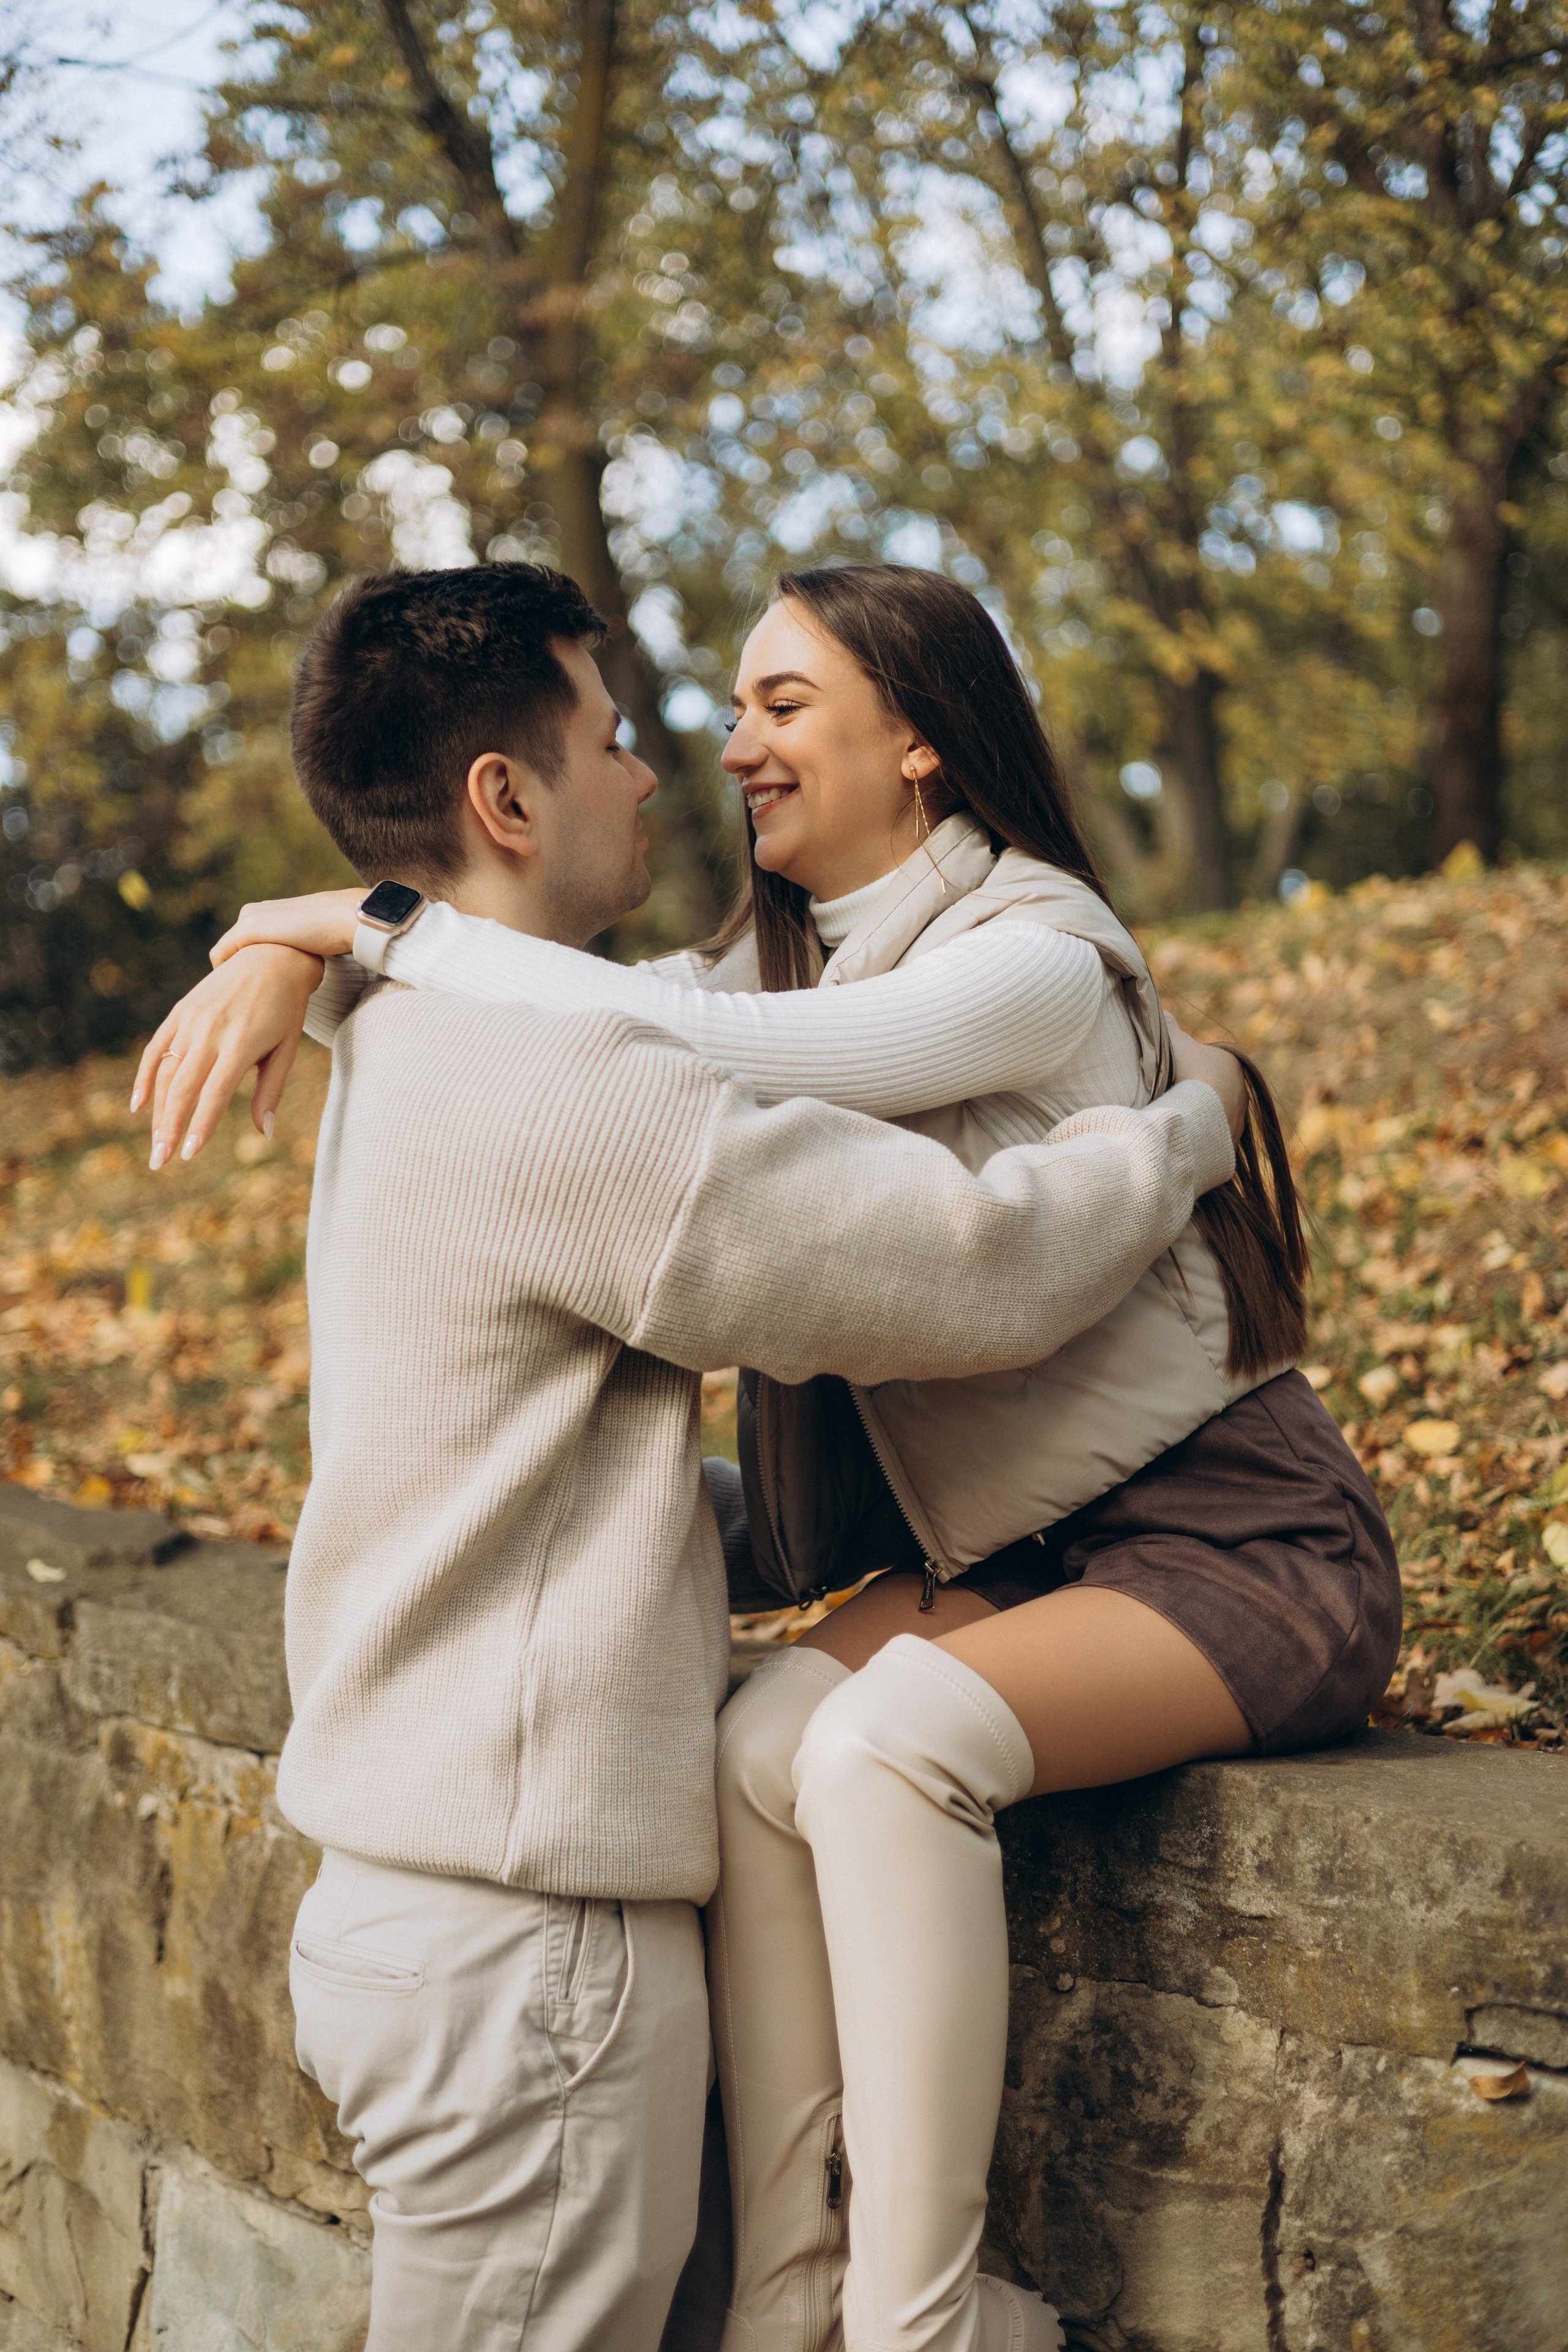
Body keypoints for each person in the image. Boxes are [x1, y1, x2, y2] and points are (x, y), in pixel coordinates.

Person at [134, 562, 1246, 2352]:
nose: (673, 770)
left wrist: (316, 940)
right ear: (507, 799)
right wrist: (1197, 1119)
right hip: (523, 1949)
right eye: (614, 735)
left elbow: (536, 1484)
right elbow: (980, 1270)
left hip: (423, 1907)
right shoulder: (558, 1093)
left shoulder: (418, 1049)